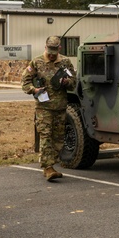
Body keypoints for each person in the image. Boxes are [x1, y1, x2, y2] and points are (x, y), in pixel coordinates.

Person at [21, 35, 77, 181]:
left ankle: (51, 164)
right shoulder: (36, 62)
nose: (51, 55)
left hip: (60, 107)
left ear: (59, 49)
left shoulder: (65, 62)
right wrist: (34, 90)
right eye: (49, 51)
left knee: (58, 138)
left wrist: (67, 82)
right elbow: (25, 82)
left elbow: (74, 82)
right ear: (45, 47)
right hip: (43, 108)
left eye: (54, 52)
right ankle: (48, 168)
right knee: (46, 136)